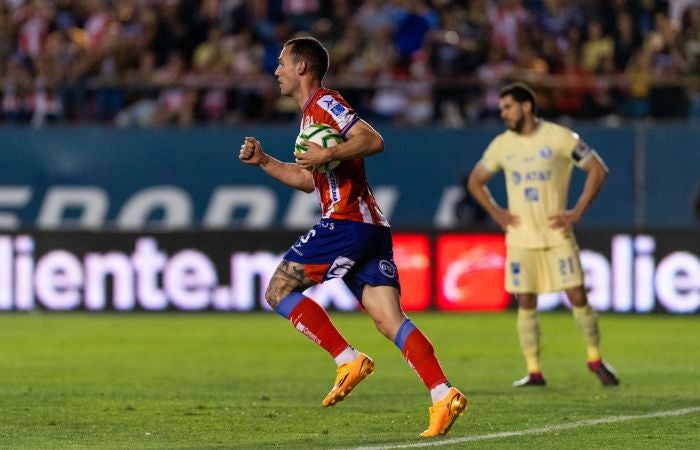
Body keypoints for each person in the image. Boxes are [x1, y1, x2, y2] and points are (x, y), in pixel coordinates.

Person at [238, 36, 467, 437]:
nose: (275, 71)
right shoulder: (309, 118)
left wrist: (328, 154)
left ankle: (347, 358)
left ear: (301, 68)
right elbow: (308, 181)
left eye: (281, 64)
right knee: (389, 319)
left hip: (346, 222)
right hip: (370, 227)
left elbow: (372, 140)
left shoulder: (325, 103)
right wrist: (265, 161)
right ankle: (442, 394)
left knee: (278, 289)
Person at [467, 82, 620, 388]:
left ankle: (594, 358)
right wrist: (497, 213)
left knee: (577, 294)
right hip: (521, 236)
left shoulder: (560, 137)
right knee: (525, 300)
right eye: (501, 109)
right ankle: (534, 370)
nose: (504, 114)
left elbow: (597, 169)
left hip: (555, 233)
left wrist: (576, 212)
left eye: (508, 107)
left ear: (526, 106)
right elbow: (475, 181)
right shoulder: (501, 145)